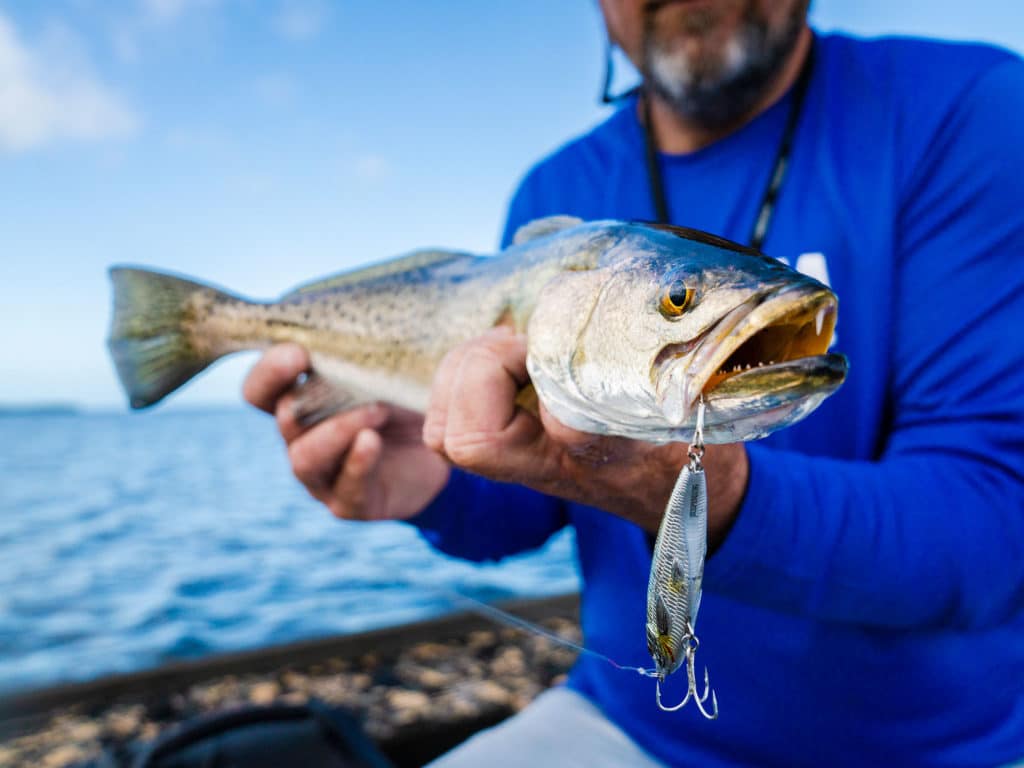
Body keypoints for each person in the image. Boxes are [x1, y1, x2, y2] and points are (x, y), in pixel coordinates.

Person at [244, 1, 1024, 764]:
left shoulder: (969, 110)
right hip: (623, 726)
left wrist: (709, 494)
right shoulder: (554, 192)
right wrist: (436, 485)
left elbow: (997, 524)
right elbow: (534, 505)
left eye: (677, 300)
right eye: (680, 300)